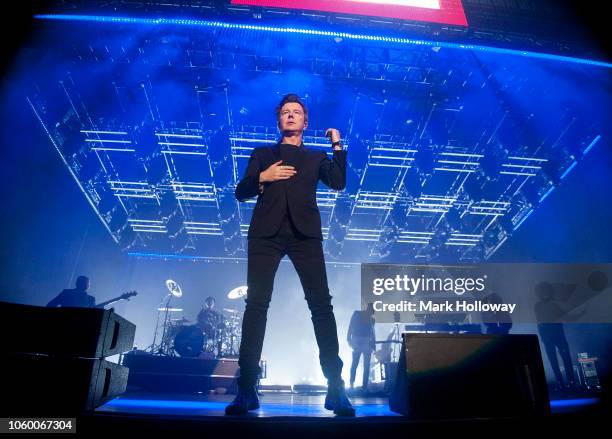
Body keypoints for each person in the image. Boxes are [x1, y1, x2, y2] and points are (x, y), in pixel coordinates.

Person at [225, 93, 354, 416]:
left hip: (304, 236)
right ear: (279, 120)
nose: (291, 116)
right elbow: (241, 192)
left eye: (297, 112)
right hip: (265, 235)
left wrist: (338, 145)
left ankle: (335, 387)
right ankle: (246, 388)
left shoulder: (314, 157)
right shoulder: (262, 153)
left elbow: (338, 182)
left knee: (321, 306)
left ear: (305, 122)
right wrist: (262, 178)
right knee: (256, 306)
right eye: (286, 112)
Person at [534, 282, 578, 390]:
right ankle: (564, 383)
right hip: (553, 334)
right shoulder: (544, 305)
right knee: (559, 358)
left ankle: (565, 383)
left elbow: (567, 318)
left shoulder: (548, 305)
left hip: (551, 334)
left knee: (559, 358)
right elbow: (566, 318)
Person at [347, 303, 376, 393]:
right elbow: (351, 326)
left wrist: (373, 344)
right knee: (355, 363)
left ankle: (364, 387)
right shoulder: (357, 314)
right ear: (368, 309)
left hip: (366, 342)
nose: (371, 313)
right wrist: (349, 338)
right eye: (371, 311)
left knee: (366, 366)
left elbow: (372, 332)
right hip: (357, 340)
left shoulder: (372, 320)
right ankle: (351, 385)